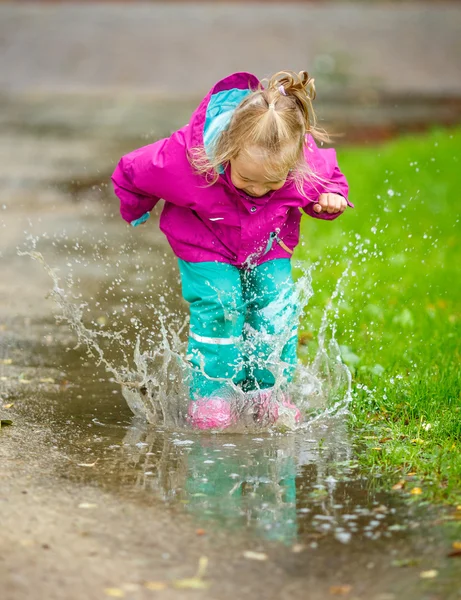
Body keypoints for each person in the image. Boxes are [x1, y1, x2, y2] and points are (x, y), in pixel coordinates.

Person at [112, 70, 351, 431]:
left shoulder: (298, 157)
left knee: (276, 308)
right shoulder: (187, 158)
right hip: (202, 241)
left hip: (268, 244)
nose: (258, 190)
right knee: (223, 305)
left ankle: (265, 393)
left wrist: (329, 200)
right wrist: (135, 207)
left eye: (272, 183)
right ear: (227, 148)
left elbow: (327, 178)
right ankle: (212, 395)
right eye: (247, 180)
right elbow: (133, 170)